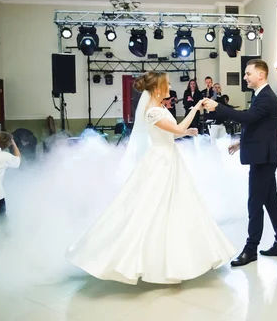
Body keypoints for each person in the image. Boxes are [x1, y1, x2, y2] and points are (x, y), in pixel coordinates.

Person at [67, 71, 236, 284]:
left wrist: (188, 133)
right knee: (152, 207)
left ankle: (178, 259)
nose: (169, 86)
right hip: (160, 161)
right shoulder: (152, 112)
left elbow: (173, 133)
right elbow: (177, 127)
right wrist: (194, 109)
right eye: (166, 83)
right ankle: (144, 261)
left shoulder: (161, 109)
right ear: (157, 88)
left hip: (170, 157)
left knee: (175, 207)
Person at [203, 59, 277, 267]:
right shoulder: (260, 95)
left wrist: (218, 107)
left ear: (261, 75)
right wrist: (241, 142)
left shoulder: (266, 97)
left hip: (263, 159)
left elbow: (248, 118)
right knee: (271, 201)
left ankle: (251, 249)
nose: (244, 77)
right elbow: (259, 126)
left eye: (248, 73)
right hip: (263, 156)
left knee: (255, 203)